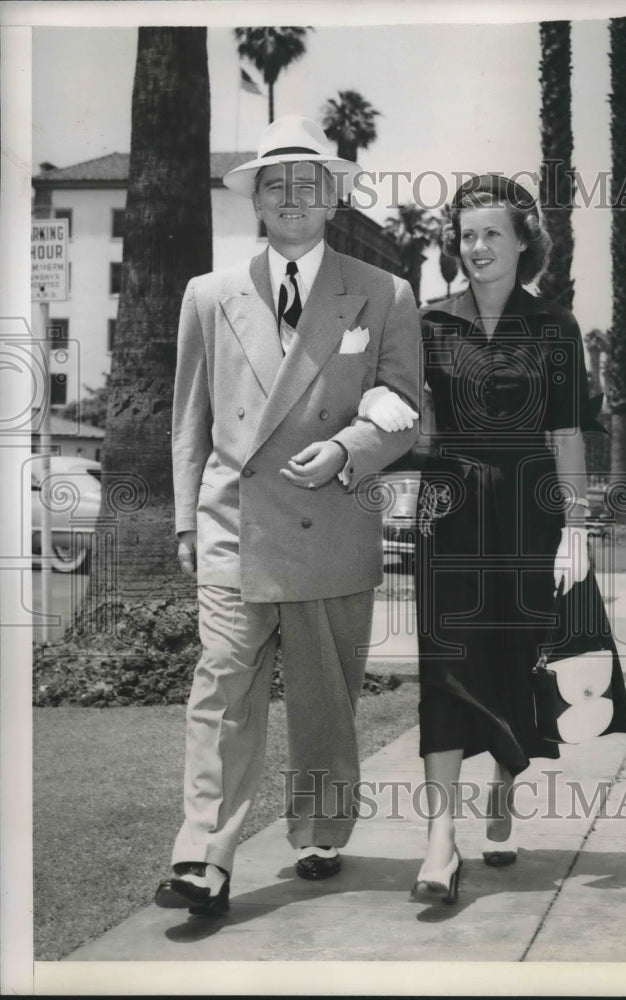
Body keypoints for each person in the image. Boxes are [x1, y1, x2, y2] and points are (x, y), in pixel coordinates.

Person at [155, 115, 421, 916]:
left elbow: (409, 407)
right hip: (234, 524)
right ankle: (202, 857)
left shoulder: (384, 293)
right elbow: (188, 420)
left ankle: (318, 832)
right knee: (220, 692)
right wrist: (182, 522)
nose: (294, 197)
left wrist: (347, 449)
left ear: (333, 198)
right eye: (278, 184)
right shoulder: (209, 295)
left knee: (322, 697)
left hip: (331, 523)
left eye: (310, 184)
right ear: (257, 203)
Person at [412, 174, 626, 903]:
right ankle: (439, 841)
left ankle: (504, 785)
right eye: (466, 234)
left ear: (520, 242)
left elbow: (567, 430)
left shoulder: (554, 328)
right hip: (450, 510)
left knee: (516, 655)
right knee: (444, 664)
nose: (476, 247)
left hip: (529, 513)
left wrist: (575, 526)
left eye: (491, 234)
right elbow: (413, 421)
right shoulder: (427, 322)